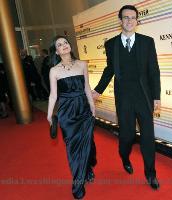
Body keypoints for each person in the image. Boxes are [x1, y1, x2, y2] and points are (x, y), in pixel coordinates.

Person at [92, 5, 161, 190]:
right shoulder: (111, 44)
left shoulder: (147, 42)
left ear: (137, 20)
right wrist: (97, 90)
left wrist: (156, 97)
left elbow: (154, 71)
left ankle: (150, 173)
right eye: (126, 17)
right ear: (120, 20)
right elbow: (109, 70)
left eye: (132, 17)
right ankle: (124, 156)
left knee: (148, 137)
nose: (129, 21)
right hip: (123, 98)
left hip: (144, 97)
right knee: (127, 136)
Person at [47, 35, 97, 199]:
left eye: (65, 43)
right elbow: (53, 95)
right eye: (59, 45)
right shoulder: (54, 70)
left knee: (87, 143)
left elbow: (87, 87)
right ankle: (78, 183)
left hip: (83, 110)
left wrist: (92, 106)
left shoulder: (82, 64)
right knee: (73, 148)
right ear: (57, 51)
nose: (63, 46)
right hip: (67, 113)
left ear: (70, 46)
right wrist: (49, 115)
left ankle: (87, 168)